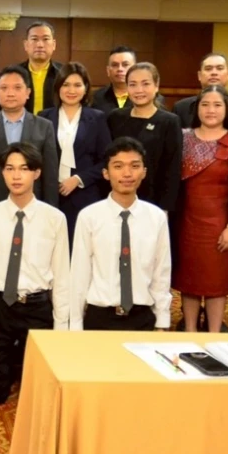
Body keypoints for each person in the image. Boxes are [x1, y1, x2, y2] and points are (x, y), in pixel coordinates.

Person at [0, 143, 70, 405]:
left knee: (38, 396)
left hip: (36, 308)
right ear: (2, 172)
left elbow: (61, 277)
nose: (16, 176)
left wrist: (60, 330)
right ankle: (7, 362)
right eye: (10, 169)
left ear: (36, 173)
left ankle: (20, 361)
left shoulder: (55, 219)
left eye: (24, 169)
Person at [71, 137, 172, 331]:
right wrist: (75, 325)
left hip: (142, 317)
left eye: (134, 166)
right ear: (106, 173)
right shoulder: (89, 216)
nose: (127, 173)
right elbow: (79, 274)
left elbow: (161, 273)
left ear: (144, 172)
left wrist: (162, 321)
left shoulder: (156, 217)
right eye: (118, 166)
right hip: (99, 316)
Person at [174, 86, 228, 333]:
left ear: (227, 108)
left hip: (219, 224)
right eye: (205, 104)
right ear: (196, 108)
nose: (211, 110)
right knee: (188, 281)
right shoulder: (182, 137)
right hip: (186, 223)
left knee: (216, 283)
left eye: (217, 105)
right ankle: (189, 331)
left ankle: (214, 334)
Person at [0, 68, 59, 212]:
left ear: (28, 92)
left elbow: (50, 175)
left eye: (17, 88)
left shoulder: (44, 126)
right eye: (4, 88)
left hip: (33, 205)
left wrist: (51, 210)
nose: (10, 93)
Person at [39, 61, 109, 239]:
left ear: (86, 89)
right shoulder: (44, 117)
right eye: (66, 84)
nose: (71, 90)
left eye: (77, 85)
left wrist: (78, 179)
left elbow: (106, 160)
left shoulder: (97, 118)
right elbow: (37, 158)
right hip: (51, 196)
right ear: (58, 88)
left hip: (86, 195)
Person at [105, 62, 182, 215]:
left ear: (156, 85)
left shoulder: (169, 121)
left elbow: (172, 169)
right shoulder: (115, 117)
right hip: (116, 200)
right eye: (133, 84)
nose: (139, 90)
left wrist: (165, 208)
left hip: (154, 202)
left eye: (145, 84)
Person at [172, 53, 228, 130]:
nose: (214, 73)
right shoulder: (181, 108)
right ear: (199, 75)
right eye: (208, 69)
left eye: (219, 68)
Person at [13, 21, 61, 113]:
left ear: (54, 45)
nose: (40, 45)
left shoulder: (63, 74)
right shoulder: (14, 74)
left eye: (45, 39)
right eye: (34, 39)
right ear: (26, 45)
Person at [90, 46, 138, 111]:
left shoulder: (144, 96)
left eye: (125, 65)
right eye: (115, 65)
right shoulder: (94, 98)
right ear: (108, 70)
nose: (120, 69)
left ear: (135, 69)